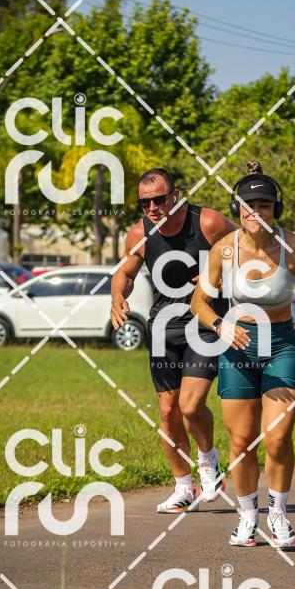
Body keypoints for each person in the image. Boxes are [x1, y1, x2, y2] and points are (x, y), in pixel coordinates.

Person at [190, 161, 295, 548]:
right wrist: (220, 325)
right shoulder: (224, 249)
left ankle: (278, 514)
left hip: (283, 346)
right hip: (238, 347)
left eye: (264, 205)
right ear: (237, 208)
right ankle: (247, 517)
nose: (255, 211)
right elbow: (199, 302)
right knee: (242, 441)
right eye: (248, 205)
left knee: (277, 438)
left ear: (277, 209)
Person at [110, 168, 235, 513]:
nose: (152, 207)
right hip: (164, 327)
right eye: (145, 202)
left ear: (175, 195)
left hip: (206, 322)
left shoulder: (207, 222)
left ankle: (208, 461)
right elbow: (124, 272)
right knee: (168, 411)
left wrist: (222, 276)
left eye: (159, 199)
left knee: (190, 406)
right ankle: (183, 487)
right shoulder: (140, 233)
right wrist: (117, 296)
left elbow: (248, 249)